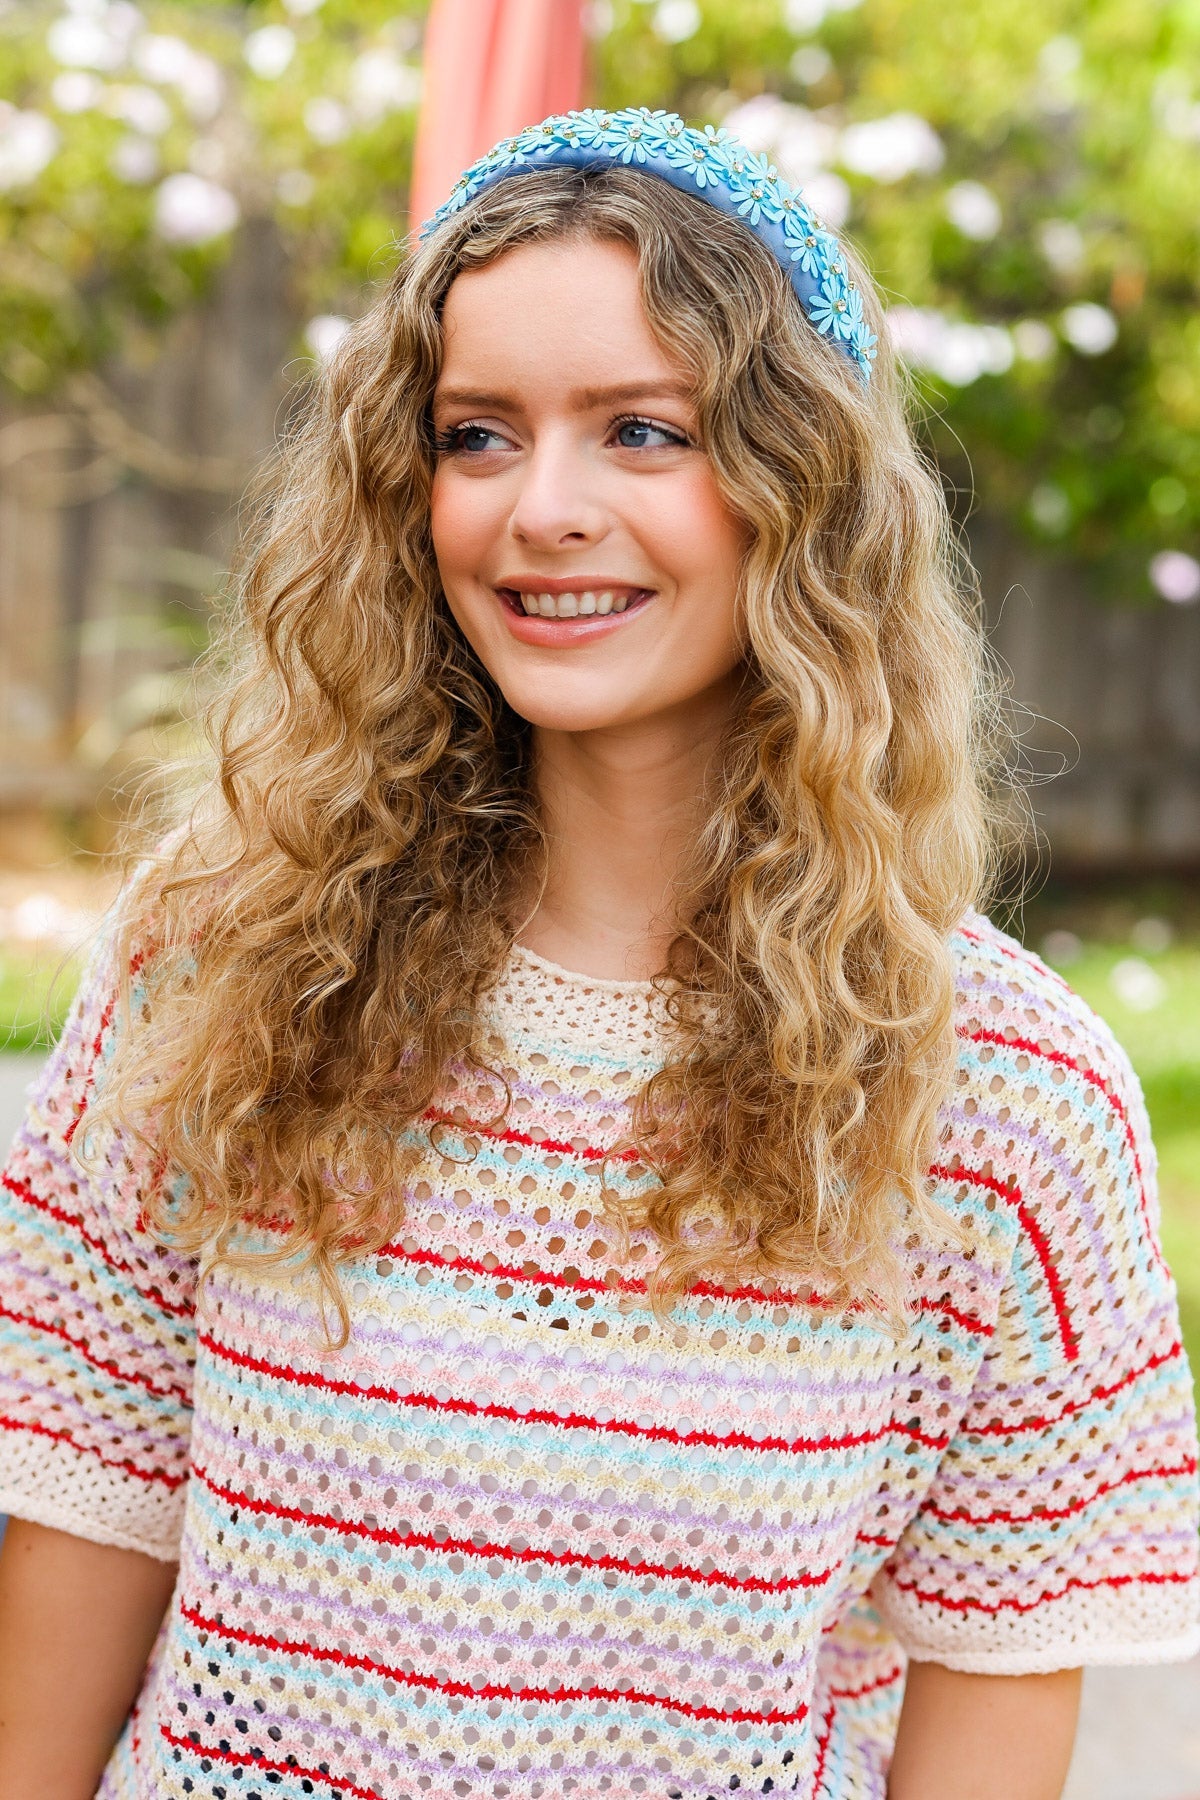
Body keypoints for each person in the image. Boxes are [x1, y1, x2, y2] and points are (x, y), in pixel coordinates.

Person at [0, 106, 1195, 1800]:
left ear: (802, 486)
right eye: (476, 435)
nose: (540, 509)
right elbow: (88, 1498)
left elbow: (996, 1677)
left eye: (644, 430)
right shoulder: (221, 963)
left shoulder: (1003, 1096)